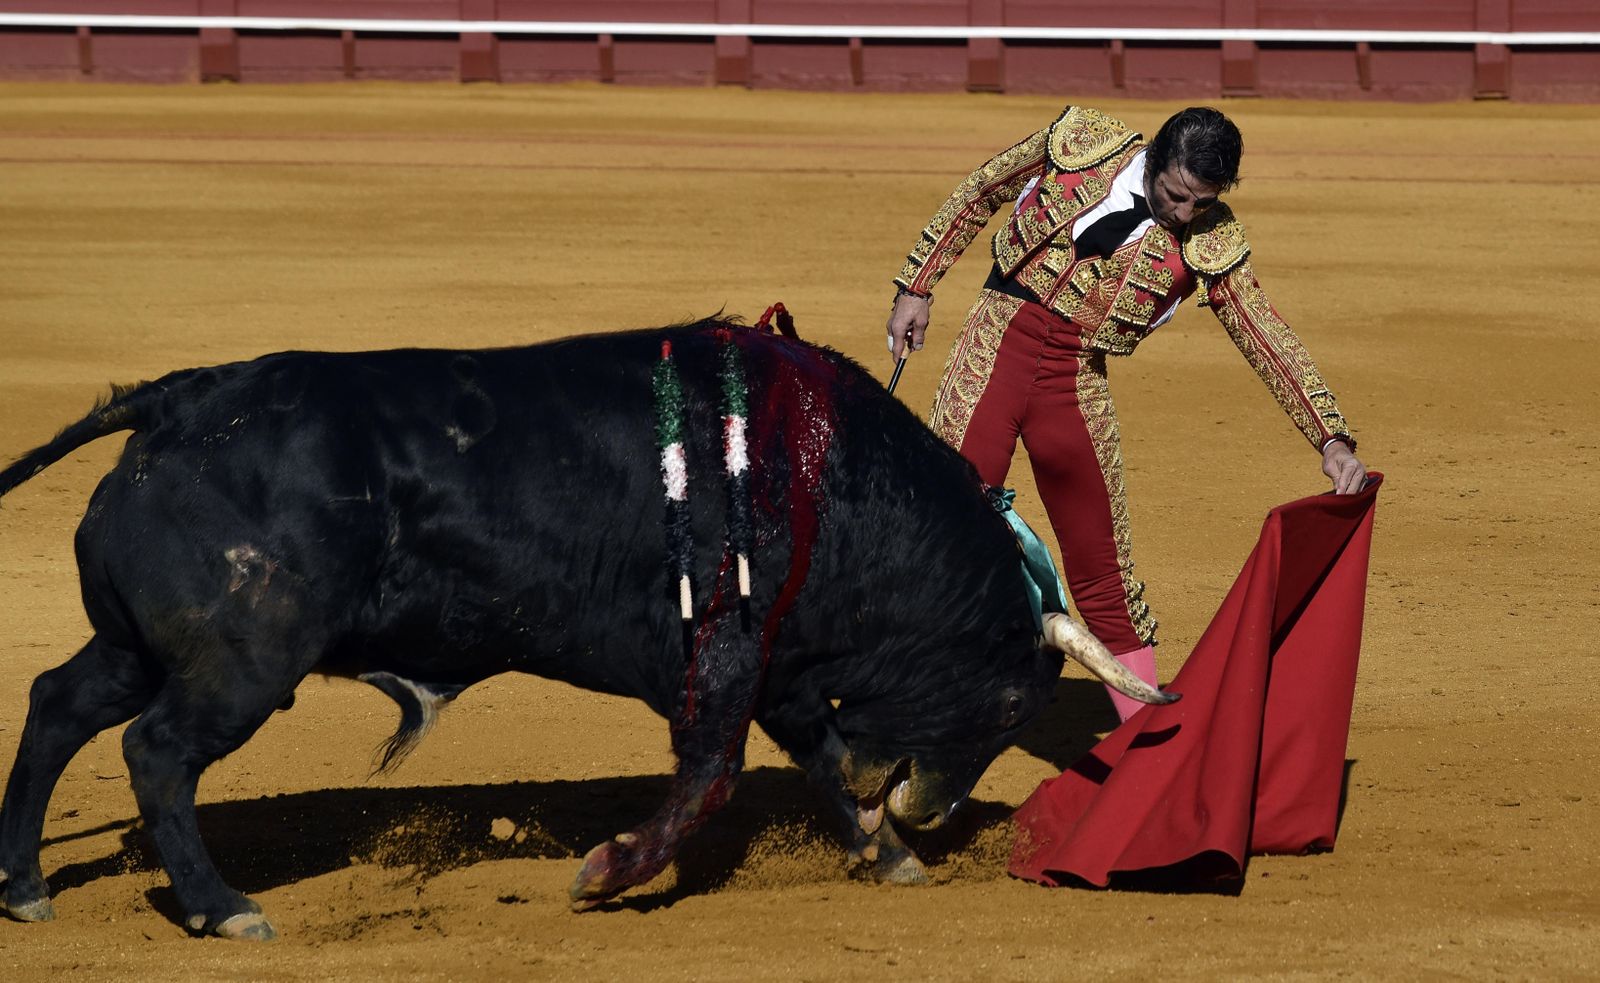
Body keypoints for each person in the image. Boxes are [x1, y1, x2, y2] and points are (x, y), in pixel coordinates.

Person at [884, 105, 1365, 722]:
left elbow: (1262, 332)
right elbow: (984, 190)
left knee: (1106, 576)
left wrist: (1330, 438)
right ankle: (907, 715)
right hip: (995, 343)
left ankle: (1145, 751)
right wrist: (916, 287)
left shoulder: (1210, 237)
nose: (1185, 215)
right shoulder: (1080, 141)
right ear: (1157, 157)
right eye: (1176, 194)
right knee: (945, 535)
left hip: (1075, 380)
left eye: (1202, 202)